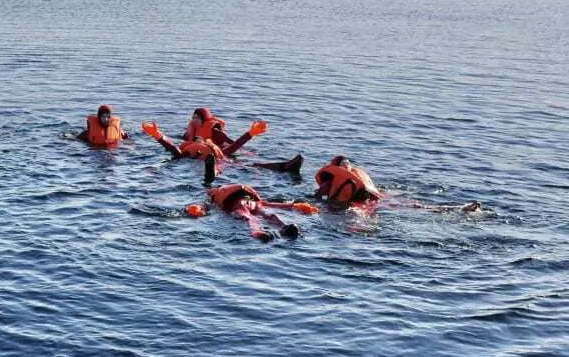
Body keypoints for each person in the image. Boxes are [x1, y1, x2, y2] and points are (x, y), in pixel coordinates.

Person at [313, 155, 481, 213]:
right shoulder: (342, 179)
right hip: (365, 203)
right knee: (414, 207)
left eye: (346, 163)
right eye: (344, 164)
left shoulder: (335, 180)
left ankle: (458, 209)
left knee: (416, 207)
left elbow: (320, 198)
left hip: (361, 204)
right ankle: (459, 209)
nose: (345, 166)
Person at [141, 119, 302, 174]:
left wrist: (251, 133)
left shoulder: (215, 149)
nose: (200, 138)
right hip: (206, 163)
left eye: (202, 138)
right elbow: (173, 150)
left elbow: (235, 147)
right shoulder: (186, 150)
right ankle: (210, 171)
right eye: (198, 138)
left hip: (219, 162)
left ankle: (286, 167)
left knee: (254, 165)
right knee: (219, 169)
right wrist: (158, 136)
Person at [191, 183, 318, 242]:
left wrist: (199, 210)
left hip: (239, 205)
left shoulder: (214, 195)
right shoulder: (253, 198)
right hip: (253, 203)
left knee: (247, 217)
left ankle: (258, 232)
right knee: (269, 214)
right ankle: (285, 227)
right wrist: (295, 206)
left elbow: (207, 206)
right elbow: (271, 204)